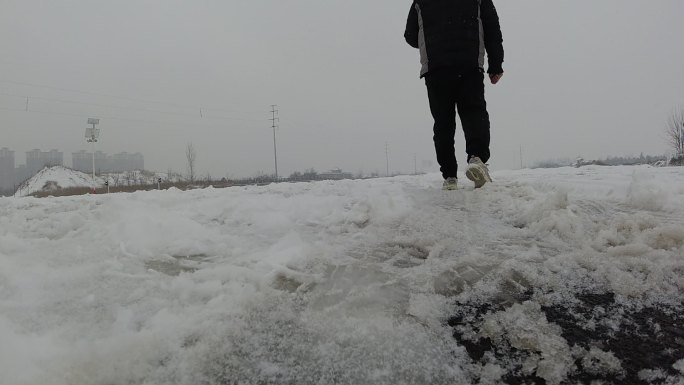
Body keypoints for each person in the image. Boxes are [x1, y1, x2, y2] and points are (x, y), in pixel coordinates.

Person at [404, 0, 504, 190]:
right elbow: (493, 29)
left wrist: (434, 38)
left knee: (443, 122)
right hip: (469, 64)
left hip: (436, 67)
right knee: (474, 112)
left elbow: (410, 35)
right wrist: (496, 65)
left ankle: (449, 176)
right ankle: (476, 158)